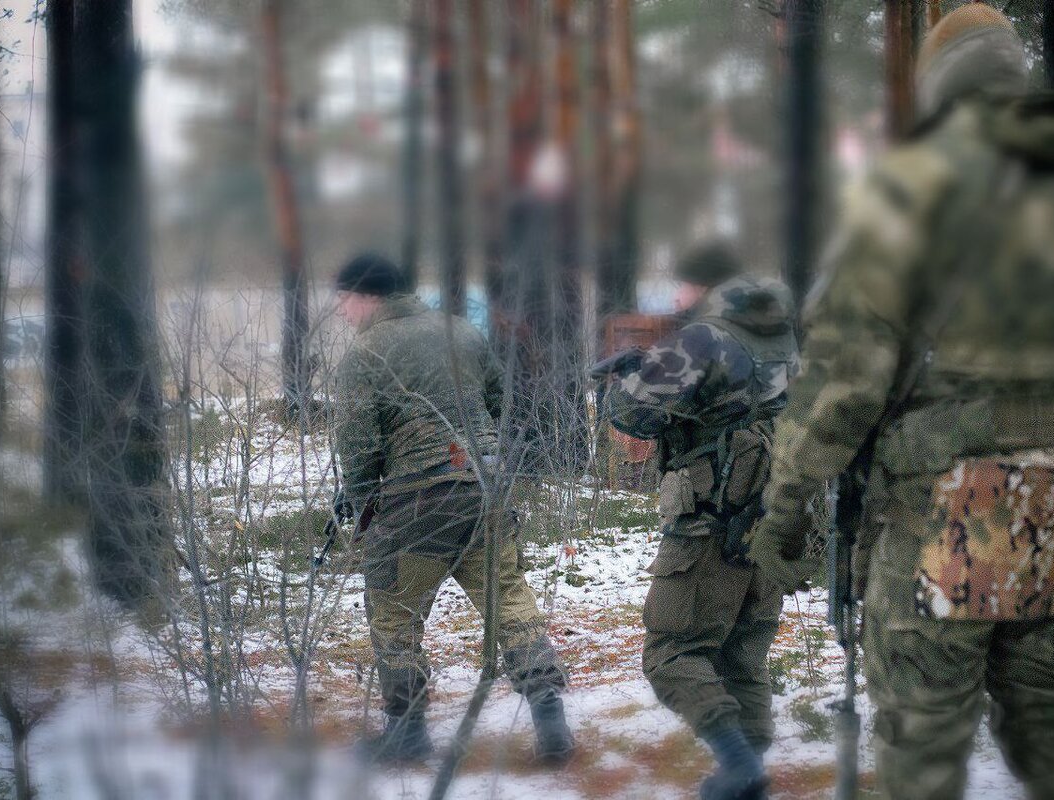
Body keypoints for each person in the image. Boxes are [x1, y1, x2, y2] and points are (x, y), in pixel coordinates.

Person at [751, 8, 1054, 799]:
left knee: (923, 738)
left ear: (939, 83)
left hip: (947, 506)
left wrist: (785, 511)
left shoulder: (912, 185)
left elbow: (843, 377)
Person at [331, 253, 575, 765]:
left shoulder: (365, 353)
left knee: (394, 613)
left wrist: (360, 505)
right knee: (508, 600)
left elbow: (357, 445)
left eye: (343, 299)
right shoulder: (462, 332)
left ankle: (407, 730)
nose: (340, 311)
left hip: (416, 501)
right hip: (485, 489)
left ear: (367, 295)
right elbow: (495, 399)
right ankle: (549, 713)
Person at [602, 241, 800, 800]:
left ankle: (738, 763)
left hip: (708, 520)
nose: (678, 296)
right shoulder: (784, 334)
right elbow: (742, 402)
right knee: (744, 649)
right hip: (773, 516)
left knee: (672, 653)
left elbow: (637, 416)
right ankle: (749, 766)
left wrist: (627, 379)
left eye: (683, 285)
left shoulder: (703, 335)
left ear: (703, 286)